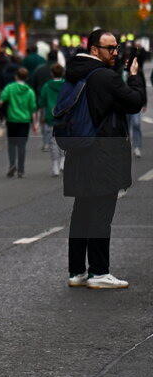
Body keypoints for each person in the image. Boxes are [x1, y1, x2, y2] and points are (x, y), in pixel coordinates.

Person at [63, 29, 145, 289]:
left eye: (116, 48)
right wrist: (134, 77)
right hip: (102, 154)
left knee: (81, 213)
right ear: (94, 49)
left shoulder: (75, 72)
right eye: (110, 48)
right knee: (100, 213)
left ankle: (77, 271)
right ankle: (99, 272)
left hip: (79, 153)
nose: (115, 53)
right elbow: (134, 103)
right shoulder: (104, 77)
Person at [0, 67, 38, 178]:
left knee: (11, 144)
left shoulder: (10, 88)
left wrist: (1, 112)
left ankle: (12, 164)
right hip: (25, 121)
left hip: (12, 120)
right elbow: (33, 109)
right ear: (27, 78)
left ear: (16, 76)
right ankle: (21, 169)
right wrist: (34, 124)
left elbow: (1, 100)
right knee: (22, 145)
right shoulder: (30, 91)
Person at [38, 63, 66, 176]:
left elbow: (42, 101)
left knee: (53, 141)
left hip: (51, 115)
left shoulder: (46, 86)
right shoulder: (66, 85)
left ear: (51, 73)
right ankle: (63, 160)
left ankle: (55, 164)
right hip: (64, 114)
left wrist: (42, 115)